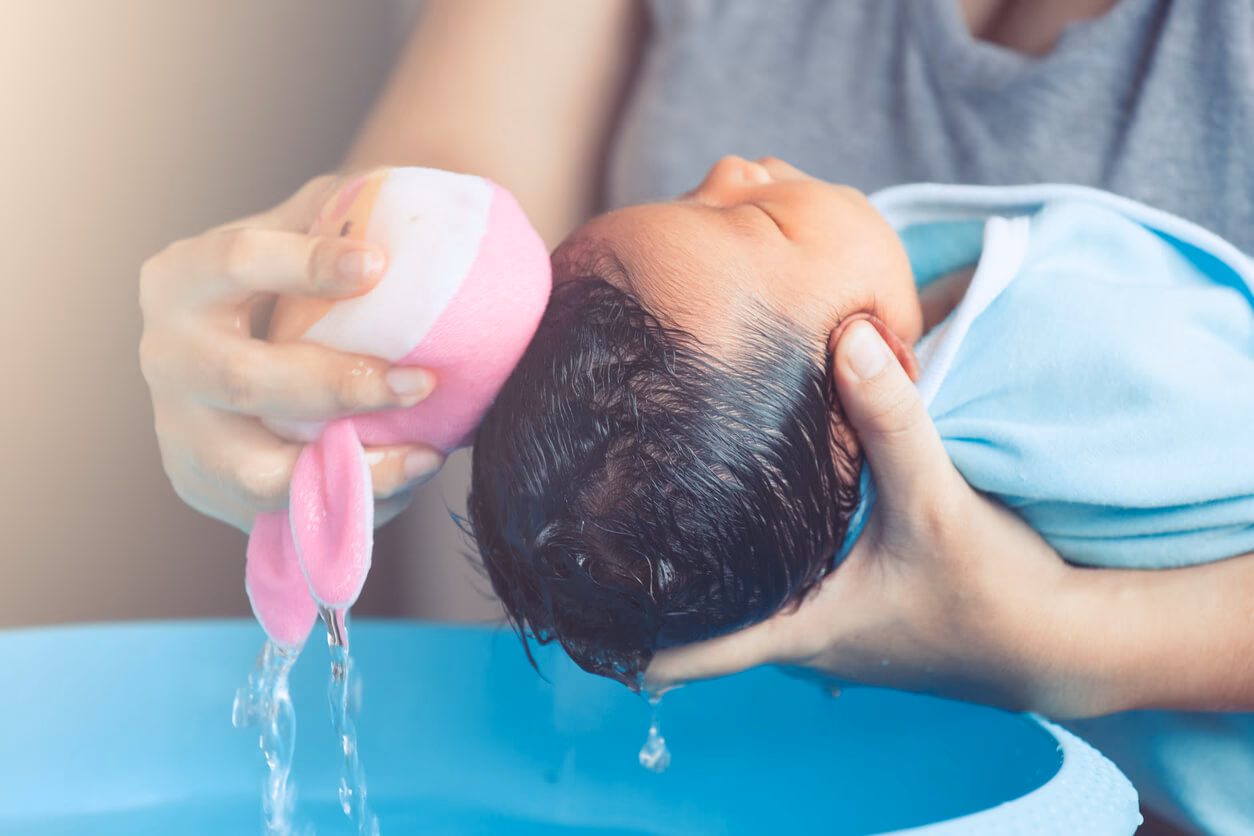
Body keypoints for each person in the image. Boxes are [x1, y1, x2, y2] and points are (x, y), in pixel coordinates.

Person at [137, 2, 1254, 832]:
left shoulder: (1077, 356)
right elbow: (465, 179)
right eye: (731, 214)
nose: (729, 165)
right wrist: (348, 318)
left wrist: (1075, 640)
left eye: (743, 217)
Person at [467, 153, 1254, 696]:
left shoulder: (855, 350)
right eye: (757, 218)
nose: (730, 168)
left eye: (687, 199)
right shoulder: (1069, 361)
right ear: (876, 362)